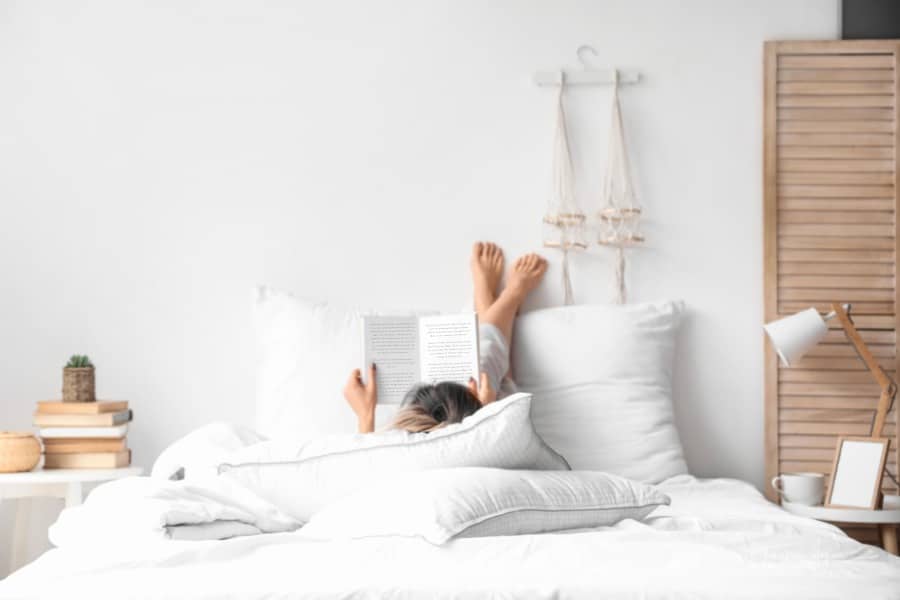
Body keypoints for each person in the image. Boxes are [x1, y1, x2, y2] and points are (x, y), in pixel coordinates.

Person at [343, 242, 547, 433]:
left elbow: (367, 467)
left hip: (430, 430)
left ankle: (489, 303)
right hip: (472, 428)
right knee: (487, 374)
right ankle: (510, 298)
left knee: (495, 384)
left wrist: (365, 416)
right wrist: (484, 412)